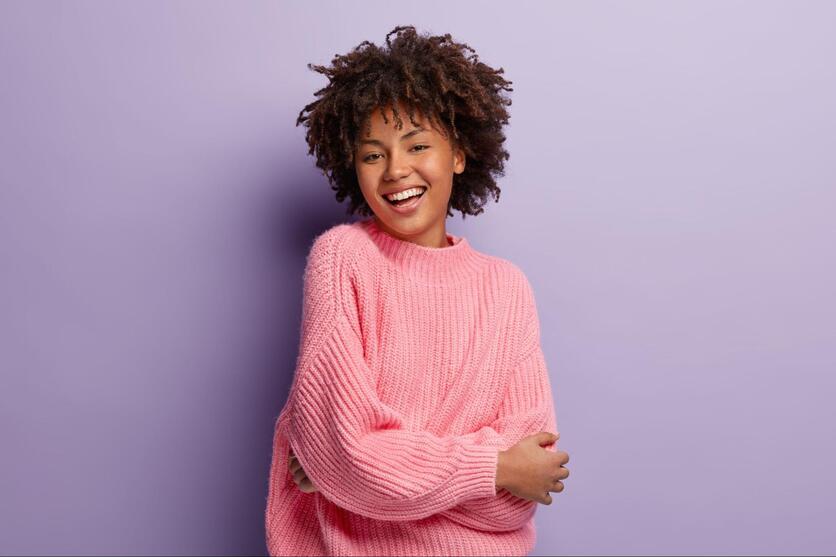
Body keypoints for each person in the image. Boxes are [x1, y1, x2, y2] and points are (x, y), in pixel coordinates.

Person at [265, 25, 570, 557]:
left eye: (418, 144)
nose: (396, 170)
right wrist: (494, 465)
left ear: (458, 153)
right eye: (373, 154)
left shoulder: (507, 288)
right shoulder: (343, 260)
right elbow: (344, 454)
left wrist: (364, 475)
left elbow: (523, 493)